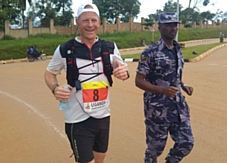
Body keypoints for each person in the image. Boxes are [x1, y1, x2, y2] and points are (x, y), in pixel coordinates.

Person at [44, 3, 129, 163]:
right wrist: (55, 88)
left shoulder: (109, 47)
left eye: (94, 20)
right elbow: (49, 73)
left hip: (103, 116)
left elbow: (123, 69)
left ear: (99, 22)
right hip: (77, 119)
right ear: (77, 22)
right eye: (85, 21)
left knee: (100, 159)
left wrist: (124, 73)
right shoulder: (65, 50)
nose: (90, 25)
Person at [135, 12, 194, 163]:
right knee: (155, 150)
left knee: (186, 142)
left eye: (175, 25)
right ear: (159, 27)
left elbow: (173, 75)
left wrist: (183, 85)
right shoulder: (150, 52)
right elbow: (139, 81)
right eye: (168, 25)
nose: (172, 28)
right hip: (157, 110)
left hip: (178, 106)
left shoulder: (177, 49)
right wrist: (162, 90)